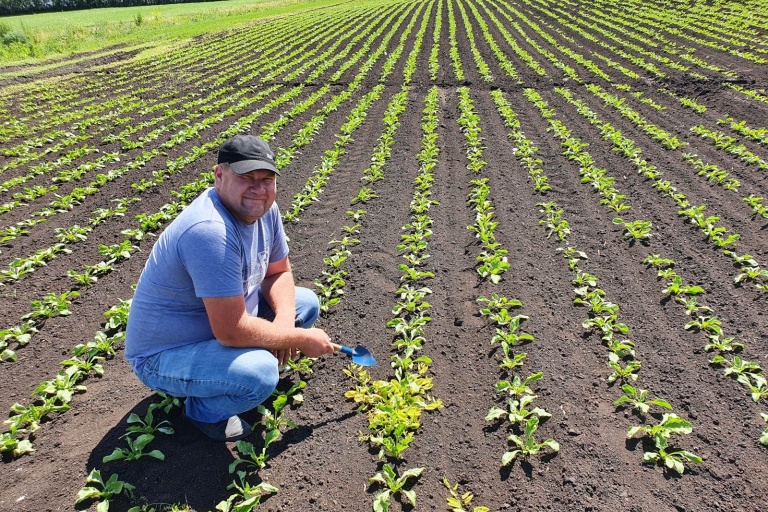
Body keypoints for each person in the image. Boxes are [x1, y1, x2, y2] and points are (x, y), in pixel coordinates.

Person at [125, 134, 335, 442]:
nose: (258, 189)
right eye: (247, 178)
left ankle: (232, 371)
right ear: (219, 175)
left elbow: (279, 272)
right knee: (262, 373)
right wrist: (298, 338)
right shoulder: (209, 232)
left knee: (304, 303)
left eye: (266, 179)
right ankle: (202, 411)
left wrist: (285, 325)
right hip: (165, 355)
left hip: (217, 326)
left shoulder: (265, 211)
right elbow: (231, 331)